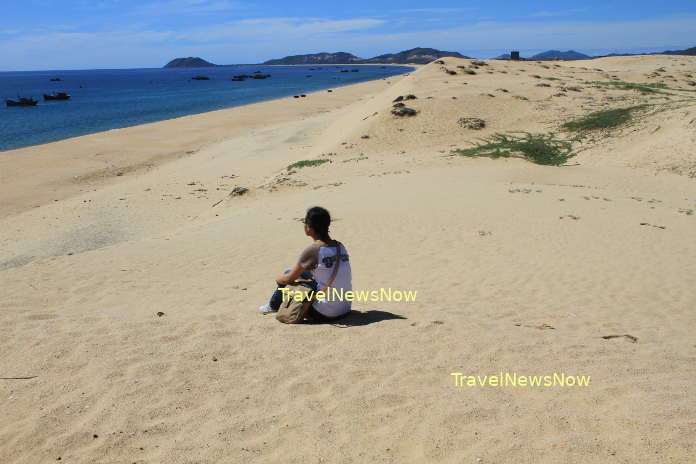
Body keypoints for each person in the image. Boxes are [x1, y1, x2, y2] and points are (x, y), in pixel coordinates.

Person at [259, 206, 352, 322]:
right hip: (345, 308)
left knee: (288, 274)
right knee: (305, 274)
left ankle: (273, 306)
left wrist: (277, 279)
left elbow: (287, 279)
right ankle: (273, 305)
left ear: (309, 228)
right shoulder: (340, 246)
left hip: (325, 313)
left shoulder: (313, 250)